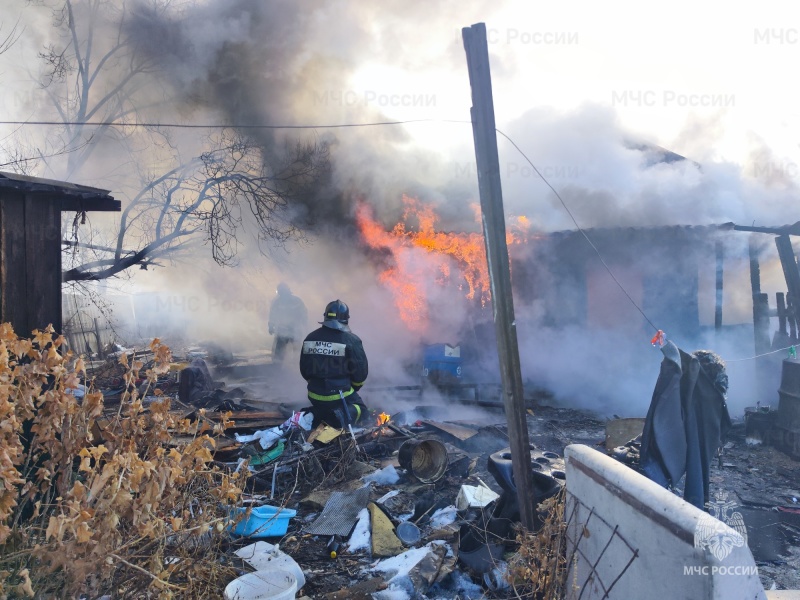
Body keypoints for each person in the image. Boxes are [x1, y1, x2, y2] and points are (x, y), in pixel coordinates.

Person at [299, 299, 368, 429]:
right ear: (345, 320)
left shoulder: (310, 338)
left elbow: (304, 369)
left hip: (314, 395)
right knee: (362, 410)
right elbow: (360, 374)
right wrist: (351, 387)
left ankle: (315, 414)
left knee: (324, 406)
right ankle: (338, 417)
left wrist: (316, 384)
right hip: (340, 396)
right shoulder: (351, 340)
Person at [268, 283, 307, 364]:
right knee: (280, 352)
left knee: (297, 350)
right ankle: (278, 368)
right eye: (281, 291)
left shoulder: (296, 301)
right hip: (284, 331)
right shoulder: (278, 302)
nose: (282, 293)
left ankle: (296, 366)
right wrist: (271, 326)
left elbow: (304, 313)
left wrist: (304, 323)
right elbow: (272, 315)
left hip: (294, 330)